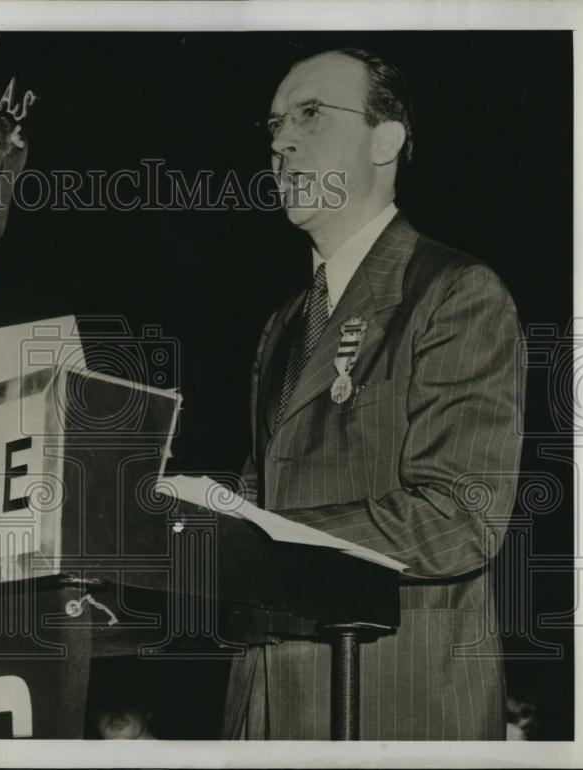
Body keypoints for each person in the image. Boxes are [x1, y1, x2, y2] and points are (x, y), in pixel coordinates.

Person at [223, 48, 524, 740]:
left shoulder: (454, 294)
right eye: (273, 125)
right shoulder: (281, 327)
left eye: (310, 116)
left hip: (391, 706)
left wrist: (264, 536)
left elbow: (459, 517)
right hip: (268, 711)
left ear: (385, 140)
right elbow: (261, 496)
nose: (279, 141)